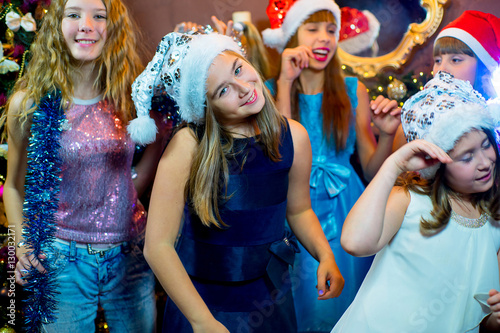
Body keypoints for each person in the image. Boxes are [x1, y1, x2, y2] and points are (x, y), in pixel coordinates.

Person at [127, 31, 344, 332]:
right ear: (206, 107)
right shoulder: (188, 146)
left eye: (239, 69)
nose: (243, 88)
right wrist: (202, 321)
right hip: (203, 305)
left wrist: (325, 254)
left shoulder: (294, 136)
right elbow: (158, 246)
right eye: (223, 91)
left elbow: (298, 211)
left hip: (269, 300)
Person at [2, 0, 160, 331]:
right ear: (58, 25)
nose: (86, 24)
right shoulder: (30, 102)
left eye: (98, 16)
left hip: (131, 254)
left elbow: (132, 175)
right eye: (74, 14)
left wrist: (125, 198)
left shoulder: (131, 95)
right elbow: (13, 187)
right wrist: (20, 245)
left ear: (112, 28)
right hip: (63, 259)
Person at [261, 0, 401, 330]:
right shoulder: (268, 90)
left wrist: (385, 137)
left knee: (346, 298)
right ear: (292, 37)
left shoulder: (354, 90)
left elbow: (370, 169)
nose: (324, 38)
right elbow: (280, 155)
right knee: (302, 300)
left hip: (346, 206)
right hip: (295, 205)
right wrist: (284, 83)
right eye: (313, 29)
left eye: (331, 30)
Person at [332, 71, 500, 332]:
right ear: (437, 162)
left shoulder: (494, 219)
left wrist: (495, 318)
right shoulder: (410, 201)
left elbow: (480, 315)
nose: (485, 162)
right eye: (466, 157)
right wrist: (393, 165)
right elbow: (354, 243)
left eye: (486, 144)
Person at [393, 10, 500, 150]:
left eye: (455, 60)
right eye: (437, 60)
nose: (441, 70)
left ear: (483, 67)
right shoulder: (415, 126)